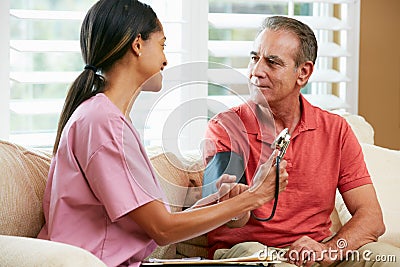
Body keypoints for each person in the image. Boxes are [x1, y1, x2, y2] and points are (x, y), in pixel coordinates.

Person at [37, 1, 289, 267]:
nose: (165, 60)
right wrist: (256, 196)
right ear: (137, 44)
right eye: (162, 45)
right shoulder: (102, 122)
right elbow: (163, 230)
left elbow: (153, 225)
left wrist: (216, 204)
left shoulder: (106, 118)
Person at [202, 16, 400, 266]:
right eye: (254, 58)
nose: (256, 71)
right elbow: (227, 218)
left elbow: (372, 218)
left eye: (272, 63)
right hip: (250, 252)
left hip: (316, 253)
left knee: (388, 258)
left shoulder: (335, 130)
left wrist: (329, 250)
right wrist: (253, 194)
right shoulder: (225, 128)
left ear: (303, 73)